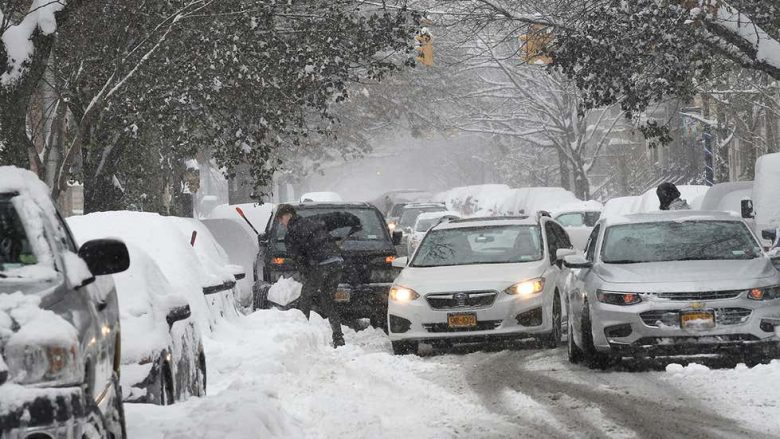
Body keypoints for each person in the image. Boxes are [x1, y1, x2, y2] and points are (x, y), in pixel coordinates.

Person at [276, 204, 362, 348]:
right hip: (337, 262)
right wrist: (354, 220)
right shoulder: (314, 220)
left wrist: (306, 273)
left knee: (305, 296)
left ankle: (303, 336)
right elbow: (336, 217)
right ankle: (338, 338)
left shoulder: (291, 234)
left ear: (288, 215)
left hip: (321, 264)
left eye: (281, 218)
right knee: (327, 300)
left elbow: (298, 258)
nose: (280, 222)